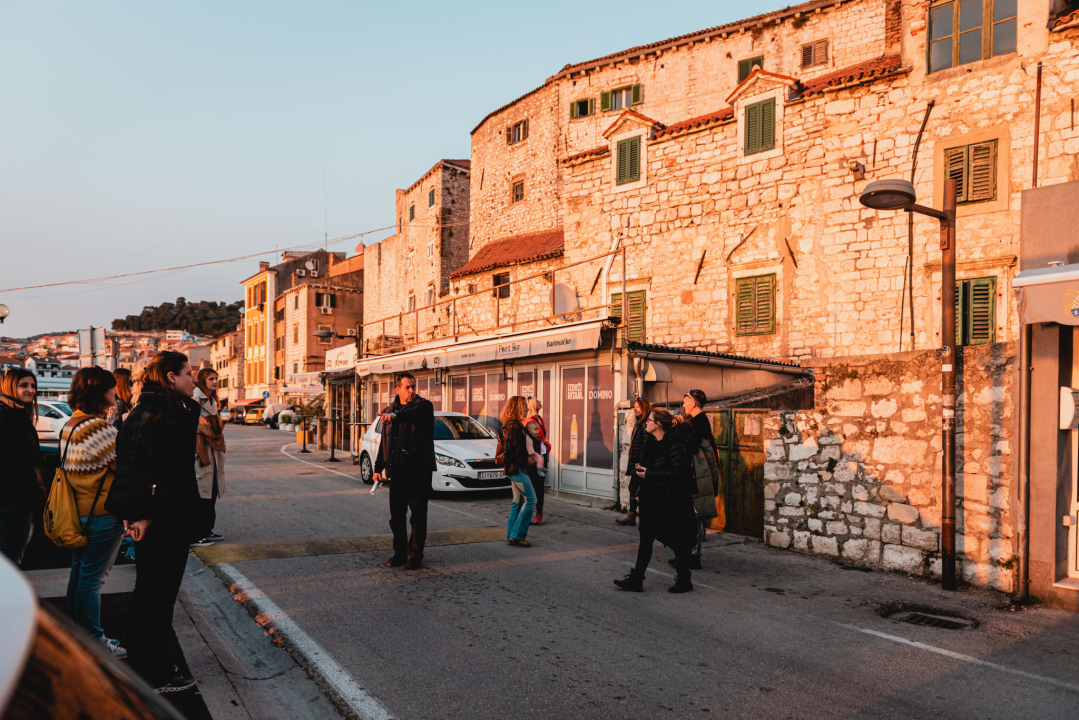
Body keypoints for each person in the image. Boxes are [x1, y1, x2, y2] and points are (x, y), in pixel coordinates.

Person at [104, 352, 201, 693]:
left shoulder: (139, 413)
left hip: (150, 515)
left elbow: (130, 470)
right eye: (189, 373)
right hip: (164, 519)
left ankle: (144, 663)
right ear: (171, 377)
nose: (194, 379)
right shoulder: (167, 415)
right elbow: (161, 473)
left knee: (147, 593)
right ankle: (156, 673)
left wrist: (134, 514)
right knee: (157, 598)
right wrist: (144, 515)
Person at [61, 367, 127, 658]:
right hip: (101, 514)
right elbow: (123, 466)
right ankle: (94, 640)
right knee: (92, 580)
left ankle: (77, 633)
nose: (115, 393)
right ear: (100, 392)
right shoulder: (99, 428)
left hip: (77, 513)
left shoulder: (71, 423)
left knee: (79, 575)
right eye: (111, 388)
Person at [614, 408, 696, 594]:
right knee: (646, 538)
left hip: (668, 501)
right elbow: (645, 471)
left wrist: (649, 473)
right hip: (651, 498)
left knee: (674, 539)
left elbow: (678, 472)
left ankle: (684, 578)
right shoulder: (651, 443)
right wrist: (639, 490)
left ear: (658, 424)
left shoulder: (675, 443)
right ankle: (637, 579)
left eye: (649, 420)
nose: (646, 423)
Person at [373, 373, 436, 570]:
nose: (411, 391)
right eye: (407, 387)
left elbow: (413, 415)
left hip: (418, 470)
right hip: (398, 470)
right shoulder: (388, 411)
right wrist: (378, 468)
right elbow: (386, 441)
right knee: (396, 516)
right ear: (397, 389)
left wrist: (396, 416)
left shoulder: (423, 406)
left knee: (417, 515)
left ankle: (415, 556)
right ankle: (399, 553)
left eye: (413, 387)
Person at [0, 368, 43, 566]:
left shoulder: (17, 413)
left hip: (17, 497)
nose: (30, 390)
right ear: (10, 386)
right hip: (12, 498)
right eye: (23, 385)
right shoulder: (7, 415)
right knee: (11, 559)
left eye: (33, 386)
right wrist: (34, 475)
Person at [679, 389, 718, 570]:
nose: (683, 405)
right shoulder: (698, 420)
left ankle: (693, 556)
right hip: (697, 474)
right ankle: (687, 554)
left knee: (695, 516)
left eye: (685, 401)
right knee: (693, 516)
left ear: (693, 403)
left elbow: (691, 446)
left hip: (697, 475)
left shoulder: (698, 421)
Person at [192, 368, 226, 547]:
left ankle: (207, 530)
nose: (214, 381)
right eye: (211, 379)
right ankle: (198, 533)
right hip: (201, 450)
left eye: (216, 378)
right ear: (202, 380)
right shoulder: (196, 398)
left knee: (212, 490)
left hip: (213, 449)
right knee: (202, 491)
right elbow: (193, 424)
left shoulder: (212, 399)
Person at [499, 396, 536, 547]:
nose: (527, 408)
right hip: (517, 469)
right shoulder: (514, 426)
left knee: (517, 502)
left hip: (514, 468)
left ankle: (510, 536)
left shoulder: (512, 425)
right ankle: (518, 535)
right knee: (531, 500)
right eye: (525, 406)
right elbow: (512, 452)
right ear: (518, 408)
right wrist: (526, 460)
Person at [616, 397, 652, 526]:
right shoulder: (639, 422)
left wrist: (640, 463)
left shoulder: (646, 424)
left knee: (638, 489)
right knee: (633, 487)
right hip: (636, 462)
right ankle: (631, 515)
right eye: (634, 406)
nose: (635, 409)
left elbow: (646, 446)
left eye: (638, 406)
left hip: (641, 464)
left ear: (644, 408)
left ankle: (641, 517)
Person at [524, 397, 551, 525]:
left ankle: (539, 515)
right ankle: (531, 514)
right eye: (538, 401)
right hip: (534, 456)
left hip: (543, 454)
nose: (540, 402)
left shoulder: (539, 419)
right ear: (532, 405)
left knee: (539, 486)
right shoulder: (528, 421)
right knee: (533, 487)